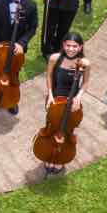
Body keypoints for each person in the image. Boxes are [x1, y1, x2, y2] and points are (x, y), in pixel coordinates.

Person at [41, 33, 89, 174]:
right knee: (51, 127)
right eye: (68, 45)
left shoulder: (85, 63)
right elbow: (49, 76)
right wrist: (50, 95)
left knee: (68, 130)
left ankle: (61, 158)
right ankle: (48, 154)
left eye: (75, 46)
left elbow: (85, 83)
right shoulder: (54, 58)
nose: (71, 49)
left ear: (80, 47)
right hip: (55, 98)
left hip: (72, 100)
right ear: (63, 45)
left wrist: (78, 97)